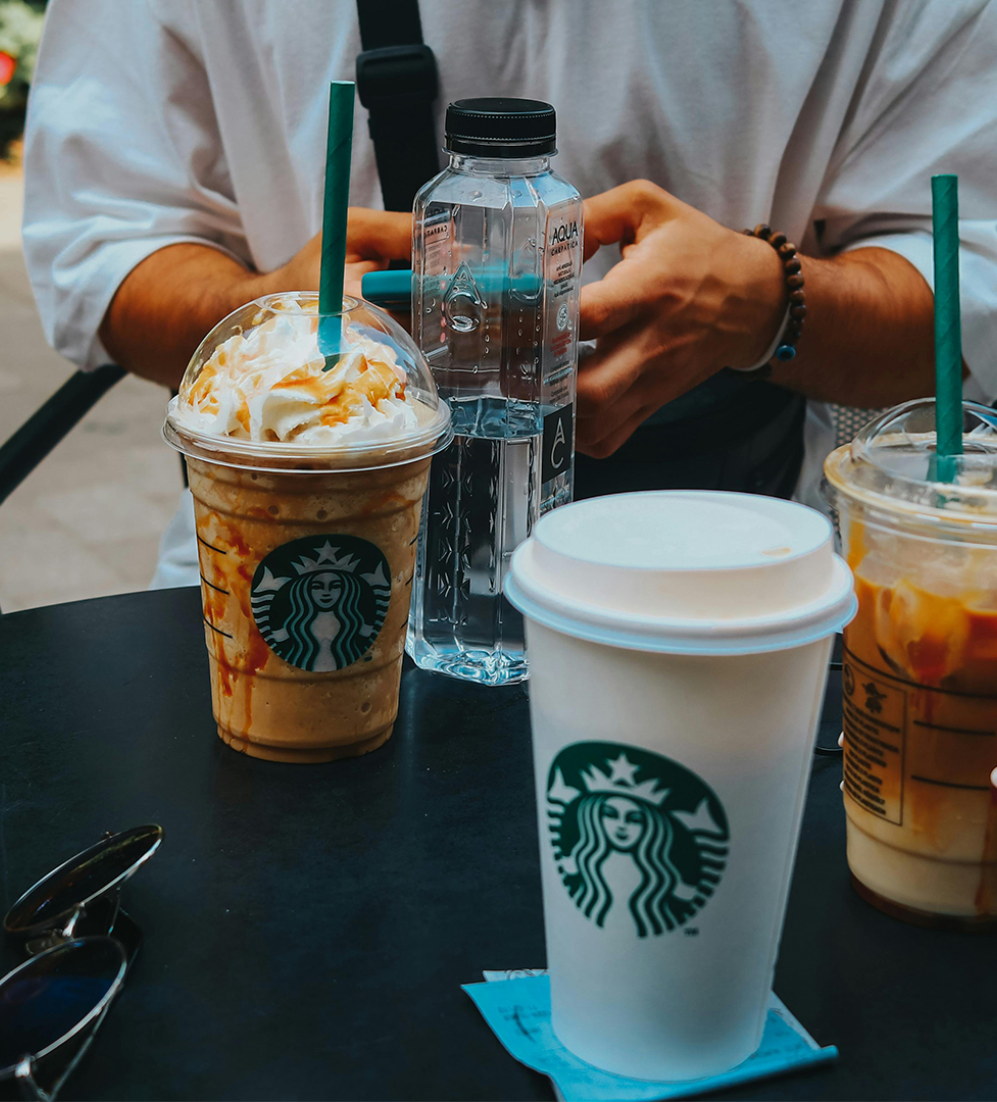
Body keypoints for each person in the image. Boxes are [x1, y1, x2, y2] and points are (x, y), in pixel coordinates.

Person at [21, 1, 997, 587]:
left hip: (736, 586)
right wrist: (280, 320)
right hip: (293, 575)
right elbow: (106, 242)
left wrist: (772, 301)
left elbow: (968, 289)